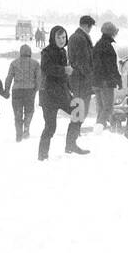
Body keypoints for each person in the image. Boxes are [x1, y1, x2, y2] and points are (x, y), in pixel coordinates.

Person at [38, 25, 89, 160]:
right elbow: (46, 68)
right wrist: (64, 70)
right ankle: (42, 157)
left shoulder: (63, 52)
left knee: (79, 112)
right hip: (48, 95)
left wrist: (70, 87)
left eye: (64, 37)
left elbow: (64, 75)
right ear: (52, 38)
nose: (62, 40)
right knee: (50, 127)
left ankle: (71, 145)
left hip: (62, 94)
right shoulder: (46, 52)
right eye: (58, 37)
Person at [3, 44, 40, 141]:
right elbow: (39, 79)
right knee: (29, 111)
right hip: (29, 91)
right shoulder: (35, 63)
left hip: (17, 91)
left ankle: (18, 134)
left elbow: (9, 78)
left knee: (17, 113)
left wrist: (6, 90)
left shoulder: (14, 63)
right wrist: (35, 89)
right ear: (30, 52)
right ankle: (26, 126)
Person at [67, 15, 96, 131]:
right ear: (86, 25)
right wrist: (89, 76)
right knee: (81, 107)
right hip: (81, 79)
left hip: (79, 78)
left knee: (80, 106)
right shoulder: (80, 38)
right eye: (90, 27)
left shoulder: (78, 37)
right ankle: (74, 132)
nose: (90, 29)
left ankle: (75, 131)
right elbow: (82, 60)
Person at [92, 22, 122, 130]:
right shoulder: (108, 47)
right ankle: (98, 128)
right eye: (114, 32)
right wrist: (119, 80)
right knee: (108, 108)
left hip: (96, 82)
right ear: (111, 33)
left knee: (101, 108)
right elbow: (112, 67)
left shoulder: (97, 45)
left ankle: (99, 128)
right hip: (106, 82)